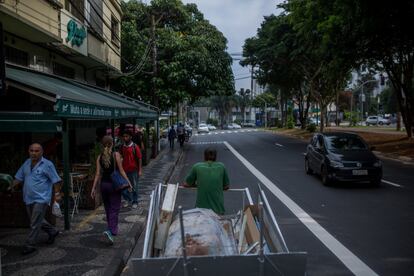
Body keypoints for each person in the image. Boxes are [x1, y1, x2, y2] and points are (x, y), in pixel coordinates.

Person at [11, 143, 61, 255]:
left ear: (42, 152)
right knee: (37, 220)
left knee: (34, 223)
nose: (33, 153)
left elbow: (56, 180)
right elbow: (18, 178)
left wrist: (57, 194)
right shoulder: (26, 163)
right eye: (31, 150)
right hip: (28, 198)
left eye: (36, 151)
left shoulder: (47, 165)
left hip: (41, 198)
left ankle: (30, 245)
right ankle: (52, 231)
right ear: (28, 151)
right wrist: (10, 186)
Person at [90, 136, 131, 244]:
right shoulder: (116, 155)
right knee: (114, 209)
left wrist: (93, 188)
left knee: (108, 208)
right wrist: (129, 183)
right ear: (112, 143)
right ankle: (111, 231)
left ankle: (111, 228)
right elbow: (121, 171)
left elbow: (98, 174)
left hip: (104, 185)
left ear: (102, 145)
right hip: (114, 186)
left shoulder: (99, 157)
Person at [183, 148, 230, 215]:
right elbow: (226, 186)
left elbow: (186, 184)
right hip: (218, 209)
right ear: (216, 157)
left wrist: (198, 185)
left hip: (201, 210)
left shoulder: (197, 166)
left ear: (204, 156)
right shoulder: (221, 166)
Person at [120, 130, 142, 209]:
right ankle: (127, 199)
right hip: (124, 170)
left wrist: (140, 170)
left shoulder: (135, 146)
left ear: (130, 137)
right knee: (124, 187)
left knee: (134, 186)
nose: (125, 138)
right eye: (124, 136)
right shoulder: (122, 147)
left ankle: (135, 201)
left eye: (127, 136)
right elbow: (121, 157)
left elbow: (139, 158)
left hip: (134, 170)